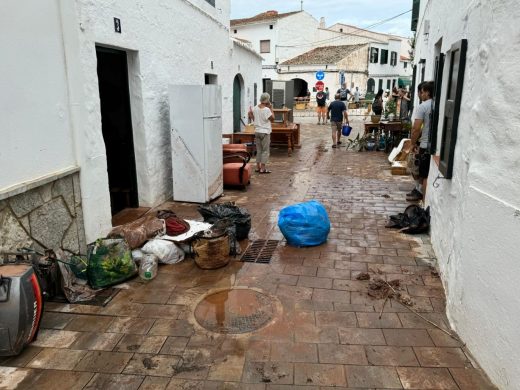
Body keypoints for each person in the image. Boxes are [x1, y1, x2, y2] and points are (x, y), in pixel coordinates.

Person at [404, 81, 434, 201]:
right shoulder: (436, 105)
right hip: (433, 144)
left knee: (416, 168)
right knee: (424, 171)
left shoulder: (423, 106)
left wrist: (412, 144)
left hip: (424, 143)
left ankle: (420, 193)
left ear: (427, 92)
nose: (420, 95)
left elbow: (416, 128)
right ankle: (418, 190)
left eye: (422, 92)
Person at [248, 92, 274, 173]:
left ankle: (258, 167)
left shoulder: (255, 107)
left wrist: (254, 120)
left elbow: (249, 113)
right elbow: (272, 119)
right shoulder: (266, 110)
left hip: (257, 131)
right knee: (265, 151)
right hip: (265, 132)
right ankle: (263, 169)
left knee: (259, 150)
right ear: (267, 100)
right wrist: (271, 108)